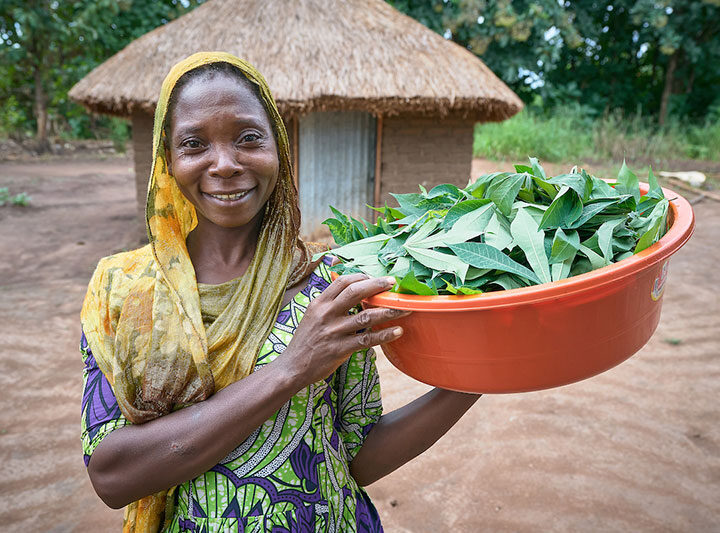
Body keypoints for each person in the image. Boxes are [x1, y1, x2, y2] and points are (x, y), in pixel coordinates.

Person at [80, 52, 481, 533]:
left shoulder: (329, 281)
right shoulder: (124, 291)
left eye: (249, 138)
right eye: (194, 144)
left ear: (279, 148)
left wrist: (480, 377)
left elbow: (357, 455)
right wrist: (291, 369)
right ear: (168, 161)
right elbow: (112, 475)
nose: (225, 164)